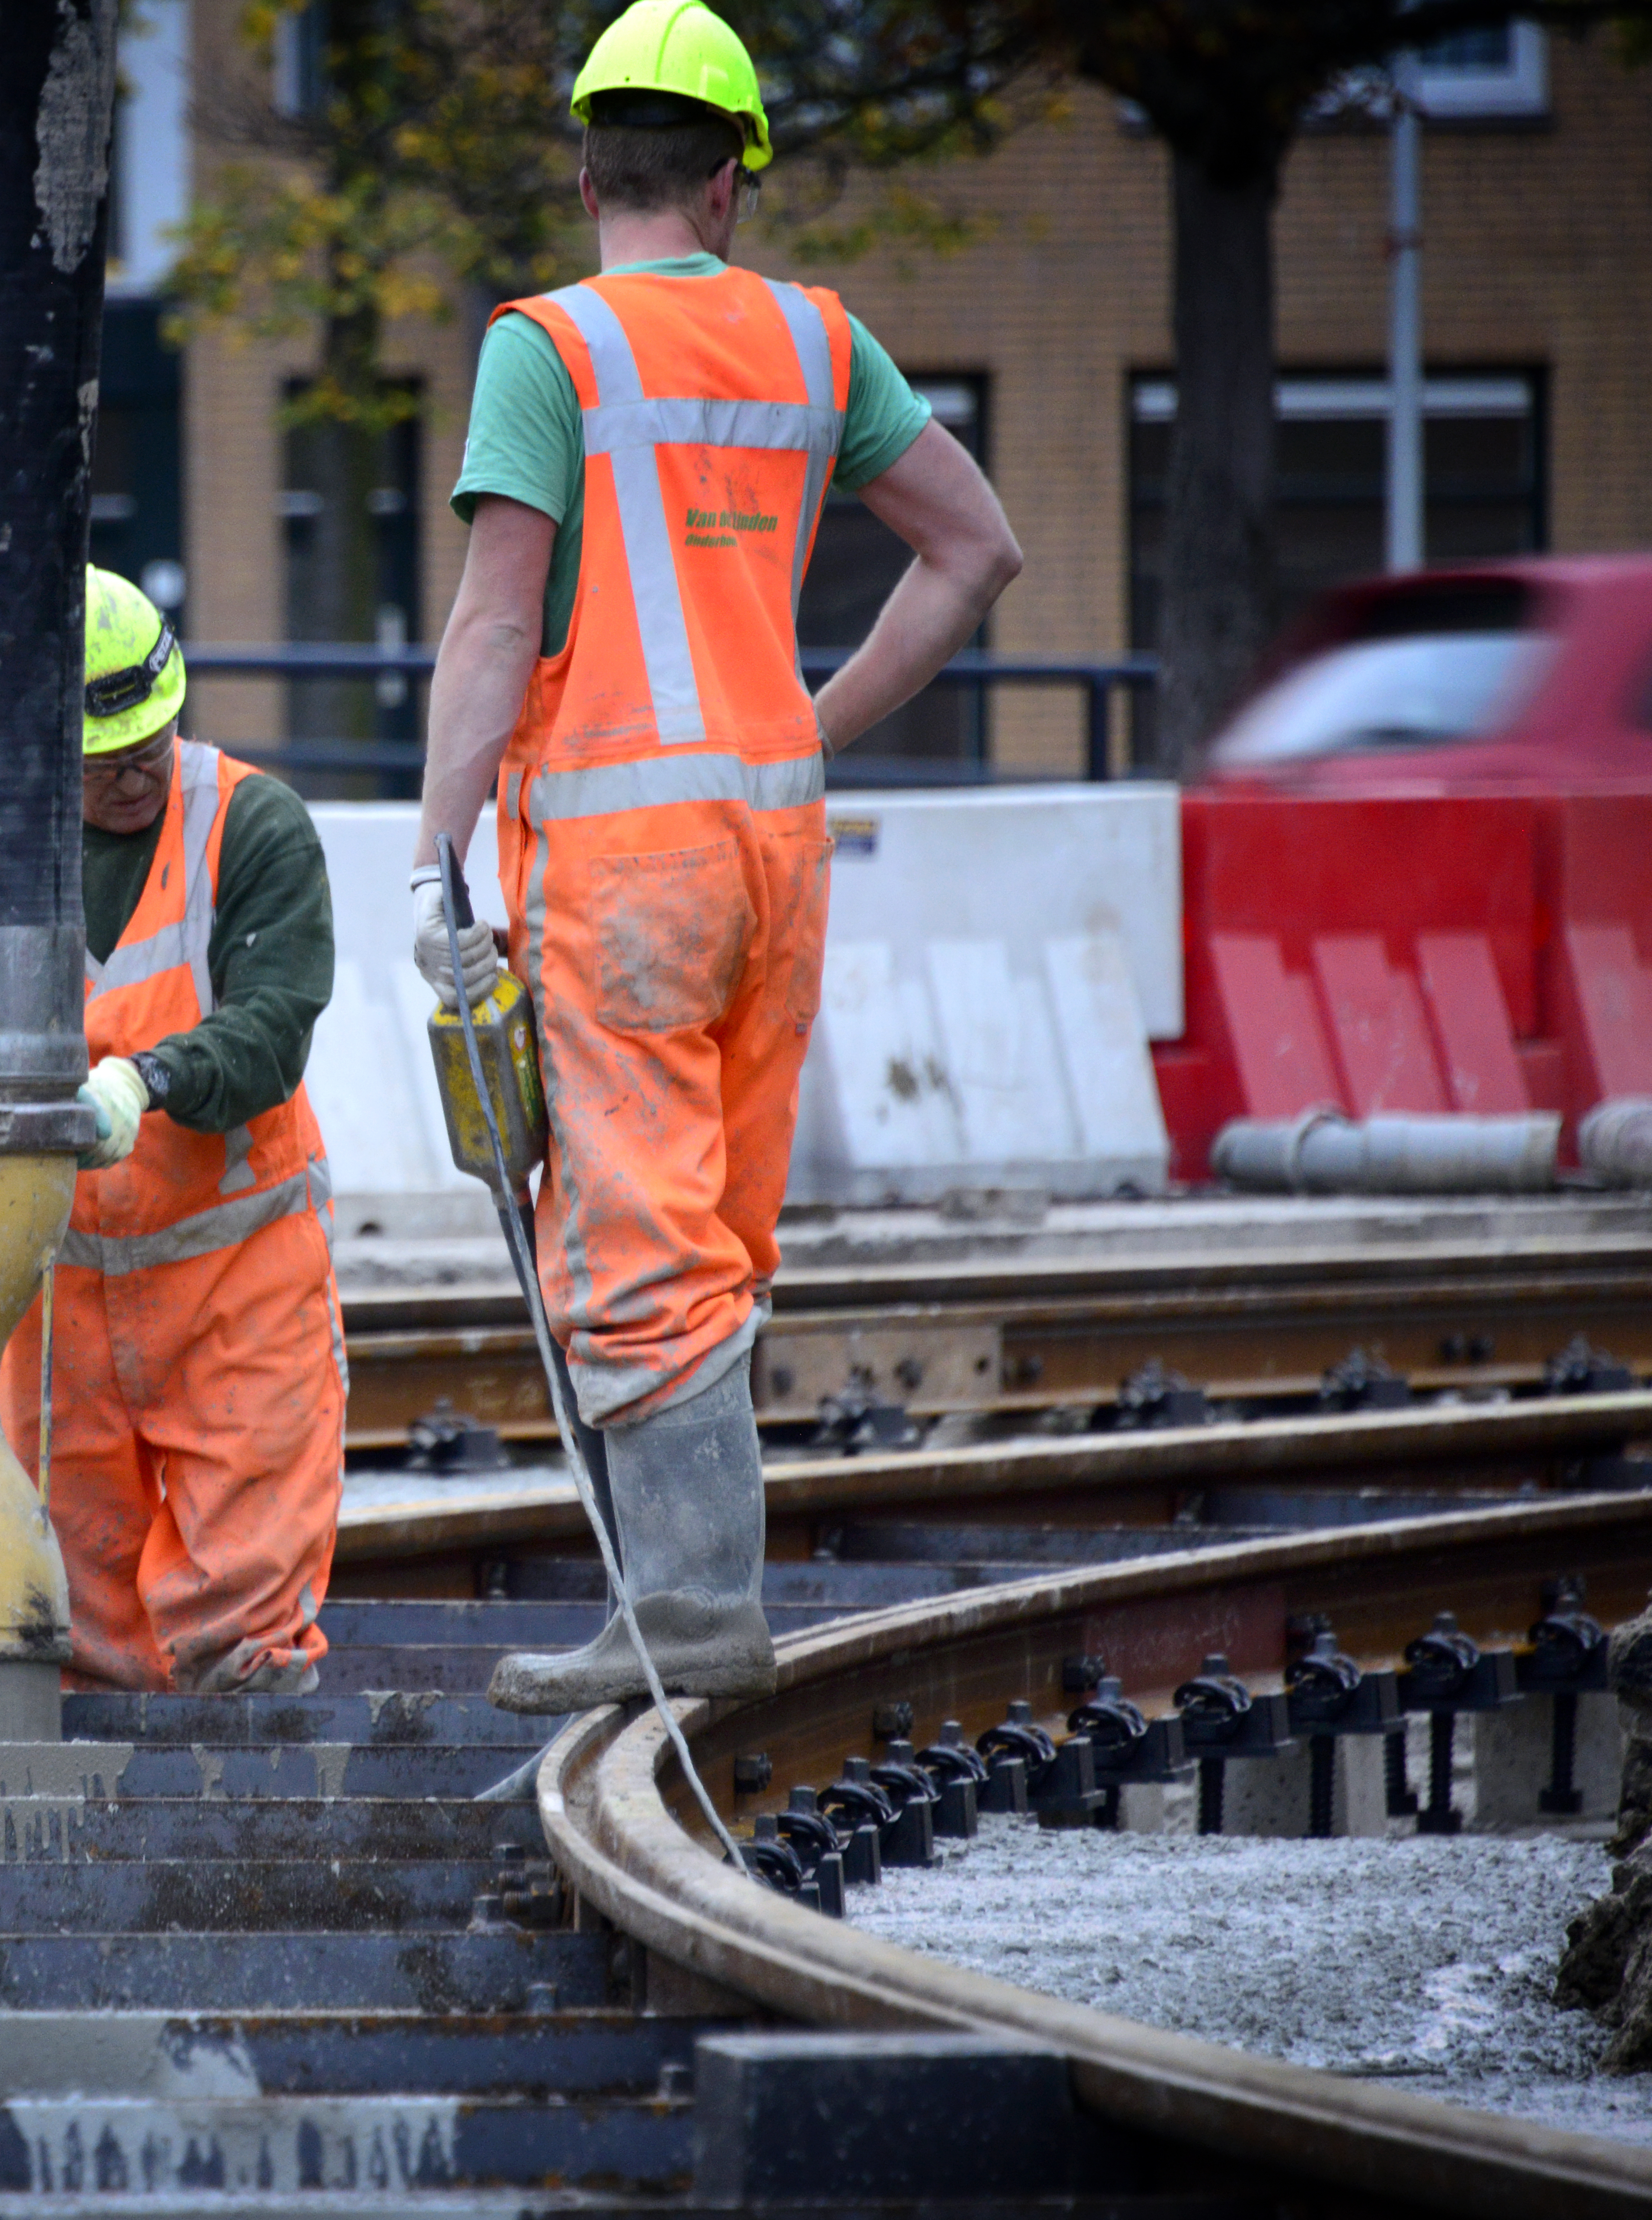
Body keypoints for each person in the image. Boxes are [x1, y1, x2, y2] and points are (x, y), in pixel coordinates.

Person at [412, 0, 1022, 1713]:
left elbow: (494, 616)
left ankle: (686, 1604)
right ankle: (673, 1593)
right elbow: (976, 552)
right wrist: (809, 723)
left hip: (625, 864)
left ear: (588, 163)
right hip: (778, 854)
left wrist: (437, 847)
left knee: (631, 1228)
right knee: (718, 1226)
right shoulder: (822, 344)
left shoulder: (554, 347)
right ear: (732, 181)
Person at [0, 568, 346, 1695]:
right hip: (59, 1310)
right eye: (106, 760)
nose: (138, 773)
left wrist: (146, 1082)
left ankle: (252, 1834)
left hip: (235, 1290)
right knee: (78, 1631)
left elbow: (272, 1025)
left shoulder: (253, 826)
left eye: (152, 744)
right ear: (47, 750)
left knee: (243, 1626)